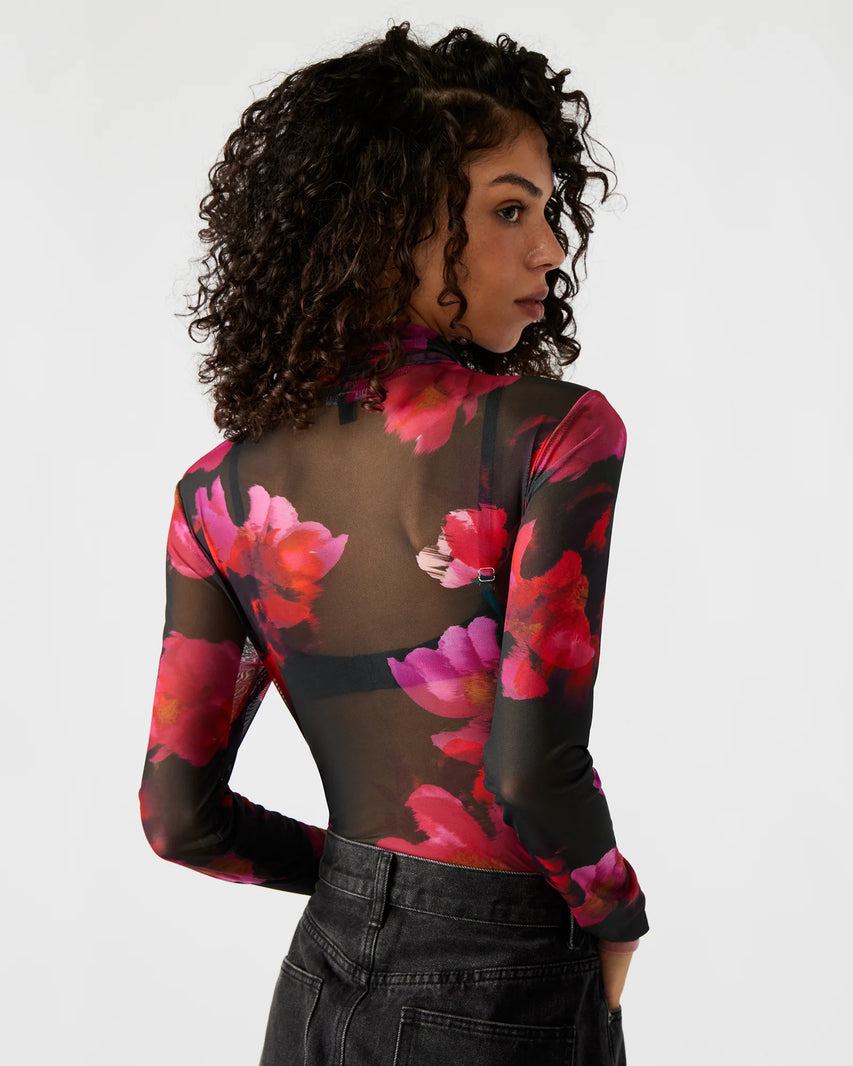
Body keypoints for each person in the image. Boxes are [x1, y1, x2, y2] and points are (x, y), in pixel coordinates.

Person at [139, 22, 649, 1065]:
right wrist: (615, 912)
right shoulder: (555, 431)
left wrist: (358, 881)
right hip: (502, 979)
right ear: (392, 224)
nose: (550, 250)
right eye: (508, 209)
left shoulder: (213, 493)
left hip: (317, 980)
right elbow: (532, 774)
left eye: (547, 211)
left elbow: (176, 816)